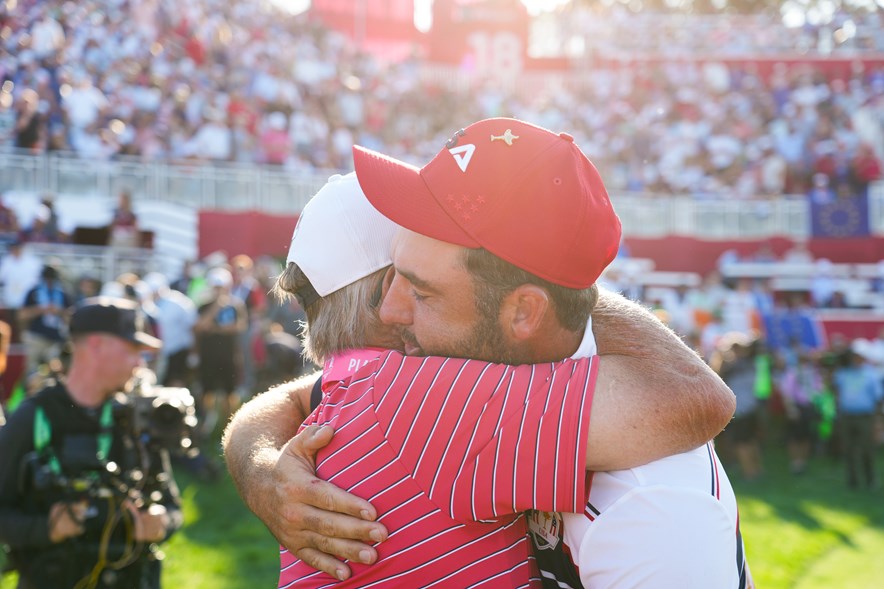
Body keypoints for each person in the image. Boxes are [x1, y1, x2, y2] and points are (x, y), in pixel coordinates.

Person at [223, 119, 746, 586]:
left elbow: (696, 397)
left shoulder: (654, 507)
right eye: (395, 278)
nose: (392, 312)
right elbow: (697, 394)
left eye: (420, 288)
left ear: (523, 312)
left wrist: (257, 465)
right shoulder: (420, 393)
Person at [0, 297, 182, 588]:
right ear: (96, 345)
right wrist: (45, 529)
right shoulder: (33, 418)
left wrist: (161, 523)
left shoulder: (138, 418)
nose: (139, 363)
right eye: (132, 350)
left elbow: (173, 506)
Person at [18, 263, 71, 377]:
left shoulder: (63, 293)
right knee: (31, 372)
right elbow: (22, 315)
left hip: (56, 339)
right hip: (36, 338)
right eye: (47, 279)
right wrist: (41, 310)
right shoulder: (33, 292)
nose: (49, 282)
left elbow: (70, 316)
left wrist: (59, 311)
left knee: (56, 372)